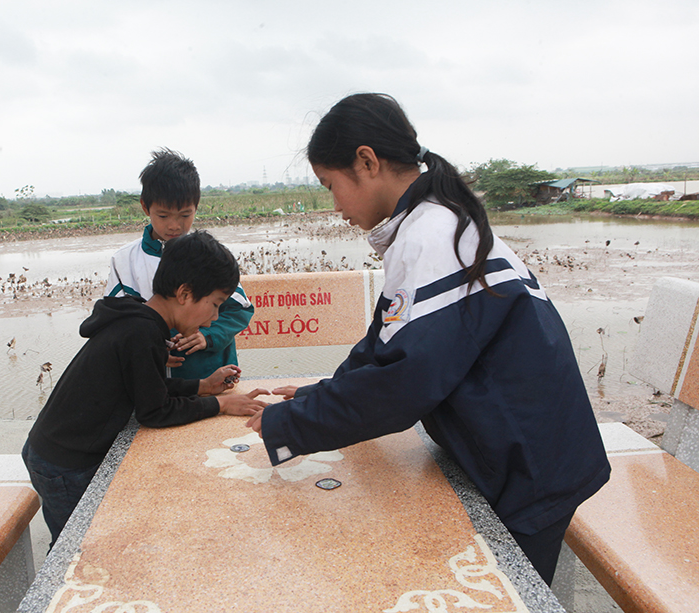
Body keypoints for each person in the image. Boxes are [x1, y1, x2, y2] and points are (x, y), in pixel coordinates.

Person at [246, 93, 610, 585]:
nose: (335, 206)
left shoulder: (431, 237)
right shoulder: (431, 222)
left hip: (530, 469)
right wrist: (317, 395)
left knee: (504, 594)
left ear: (367, 162)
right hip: (523, 454)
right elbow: (384, 343)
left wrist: (289, 425)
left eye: (331, 185)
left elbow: (401, 386)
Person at [24, 231, 269, 547]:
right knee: (72, 549)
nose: (214, 318)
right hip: (64, 464)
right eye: (215, 304)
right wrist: (221, 405)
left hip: (54, 452)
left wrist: (203, 386)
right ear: (184, 293)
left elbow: (148, 387)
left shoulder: (139, 320)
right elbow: (155, 411)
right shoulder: (142, 332)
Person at [105, 148, 254, 379]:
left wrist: (208, 336)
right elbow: (117, 323)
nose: (174, 226)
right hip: (155, 378)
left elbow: (239, 309)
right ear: (145, 207)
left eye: (185, 215)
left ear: (196, 207)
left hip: (209, 373)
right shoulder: (124, 261)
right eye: (163, 216)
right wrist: (148, 350)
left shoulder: (208, 256)